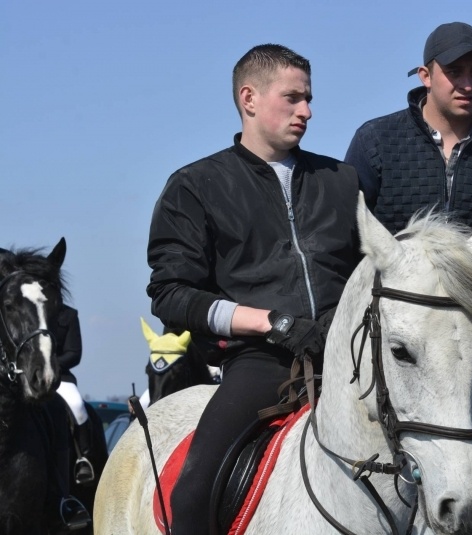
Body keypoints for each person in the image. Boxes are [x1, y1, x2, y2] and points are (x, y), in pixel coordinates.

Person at [146, 43, 361, 535]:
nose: (306, 111)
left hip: (352, 358)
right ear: (249, 98)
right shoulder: (195, 186)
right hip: (261, 361)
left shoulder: (342, 181)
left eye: (308, 99)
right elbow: (172, 294)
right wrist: (271, 323)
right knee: (194, 489)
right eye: (293, 98)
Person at [345, 21, 472, 235]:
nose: (467, 85)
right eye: (454, 72)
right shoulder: (376, 141)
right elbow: (345, 232)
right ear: (425, 76)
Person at [45, 303, 92, 529]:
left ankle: (83, 459)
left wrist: (50, 365)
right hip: (28, 376)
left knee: (78, 407)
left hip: (59, 376)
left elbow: (75, 353)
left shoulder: (69, 314)